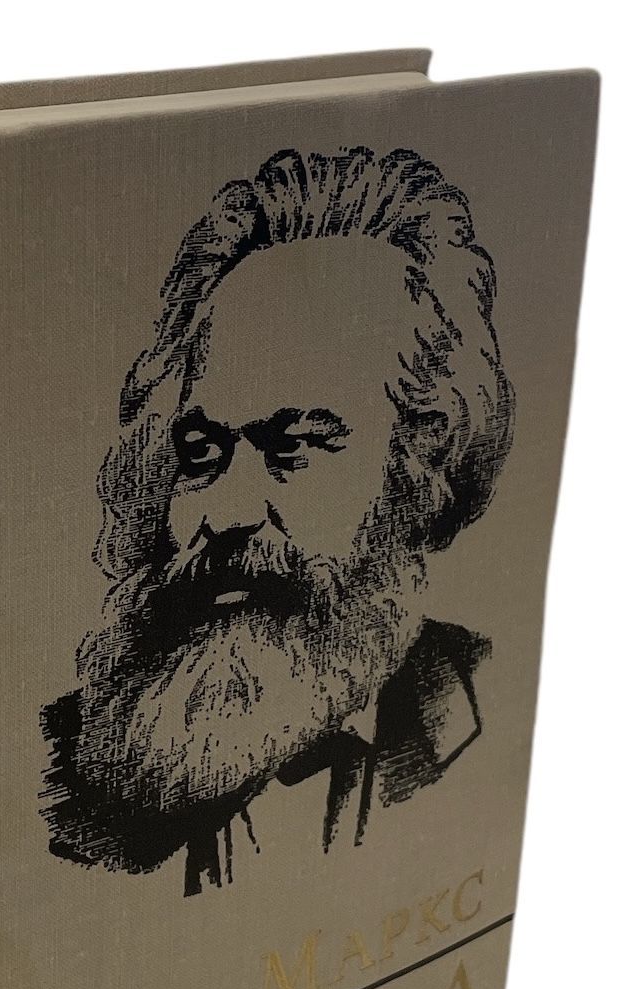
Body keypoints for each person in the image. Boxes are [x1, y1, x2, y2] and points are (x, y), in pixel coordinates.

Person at [41, 145, 515, 896]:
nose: (225, 512)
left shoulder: (484, 702)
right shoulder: (57, 777)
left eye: (292, 447)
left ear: (419, 461)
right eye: (201, 453)